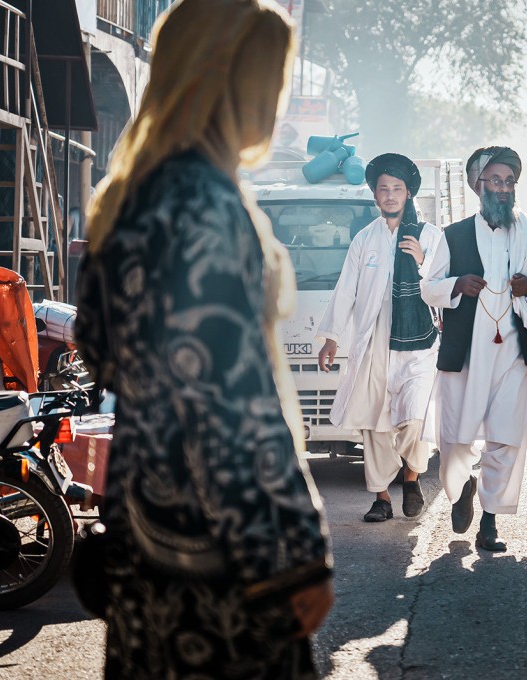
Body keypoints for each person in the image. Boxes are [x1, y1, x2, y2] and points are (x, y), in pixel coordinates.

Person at [74, 2, 333, 677]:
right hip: (218, 559)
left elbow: (96, 349)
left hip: (144, 531)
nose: (277, 104)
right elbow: (230, 407)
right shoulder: (206, 207)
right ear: (234, 82)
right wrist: (295, 558)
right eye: (271, 81)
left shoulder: (126, 198)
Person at [421, 146, 527, 553]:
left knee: (506, 438)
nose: (503, 188)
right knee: (454, 438)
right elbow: (428, 287)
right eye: (495, 180)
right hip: (465, 353)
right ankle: (462, 487)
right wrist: (456, 285)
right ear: (478, 185)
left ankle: (490, 521)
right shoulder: (453, 235)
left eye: (509, 181)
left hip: (512, 353)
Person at [316, 153, 439, 523]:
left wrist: (422, 261)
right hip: (372, 340)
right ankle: (382, 498)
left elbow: (444, 285)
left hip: (418, 341)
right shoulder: (364, 239)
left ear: (408, 193)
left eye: (396, 188)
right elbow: (346, 290)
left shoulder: (429, 235)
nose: (389, 195)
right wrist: (332, 337)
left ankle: (412, 477)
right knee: (374, 421)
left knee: (415, 416)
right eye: (383, 189)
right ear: (375, 195)